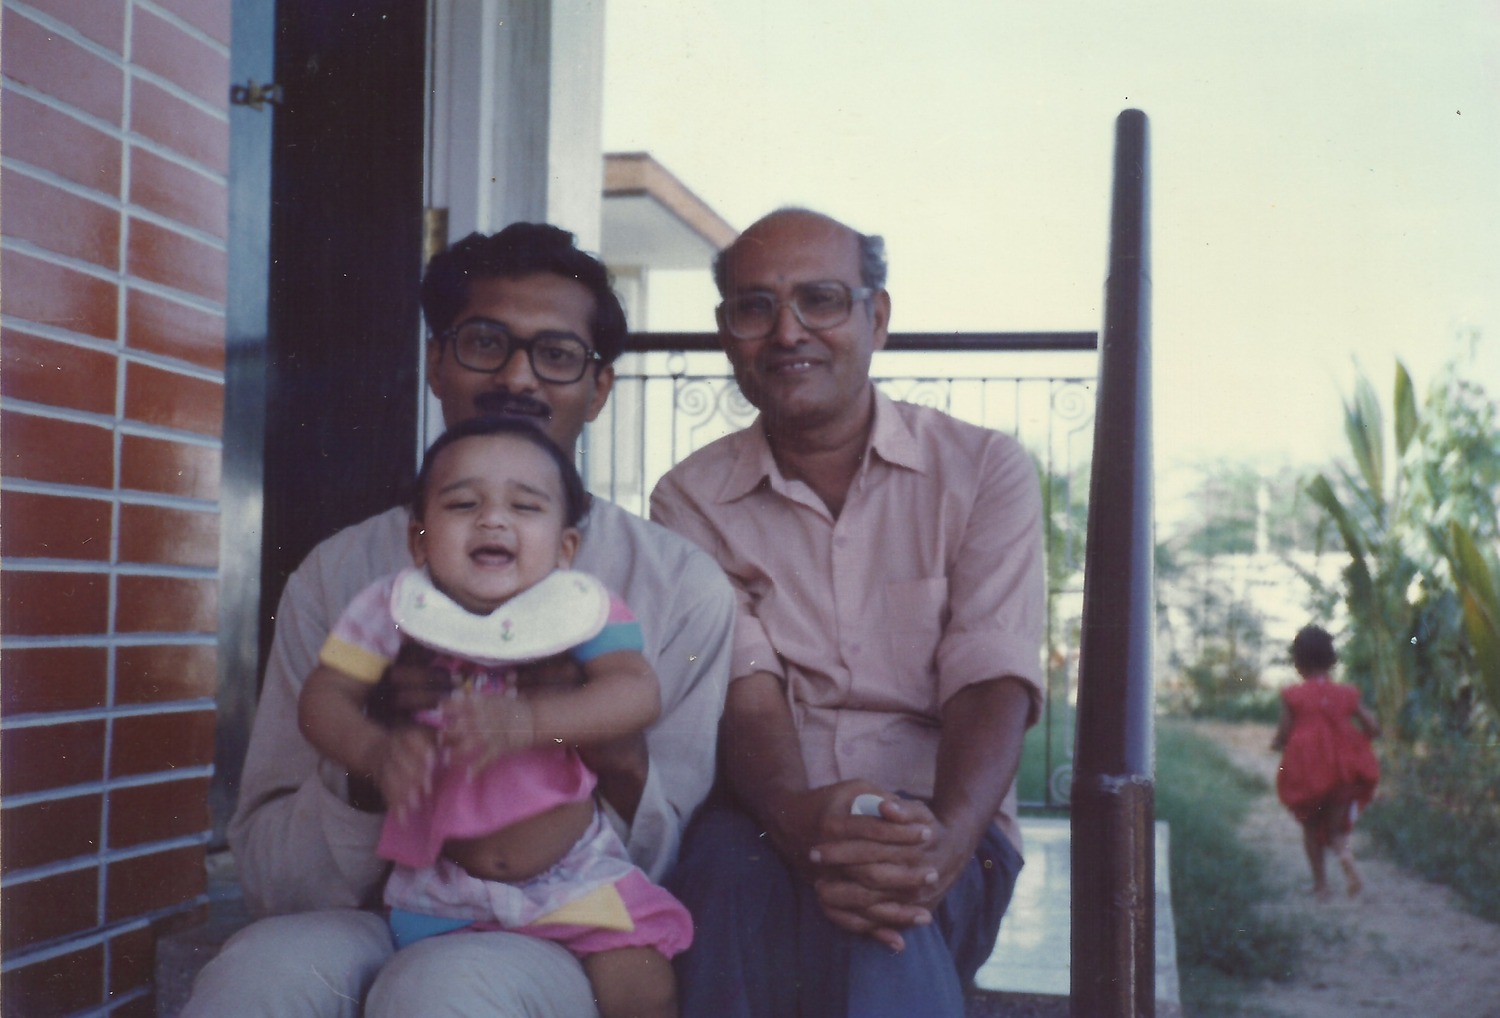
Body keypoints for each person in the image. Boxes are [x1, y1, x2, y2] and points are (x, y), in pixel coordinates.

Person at [183, 225, 735, 1018]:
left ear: (599, 387)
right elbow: (274, 880)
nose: (517, 376)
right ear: (438, 361)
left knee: (445, 990)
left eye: (556, 354)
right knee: (260, 972)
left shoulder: (675, 584)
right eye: (485, 342)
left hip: (554, 923)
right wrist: (374, 759)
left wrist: (573, 729)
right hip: (376, 906)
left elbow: (660, 854)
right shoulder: (344, 577)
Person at [649, 208, 1045, 1017]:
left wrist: (943, 845)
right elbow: (743, 689)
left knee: (878, 921)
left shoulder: (981, 470)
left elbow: (991, 677)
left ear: (879, 316)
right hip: (766, 815)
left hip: (940, 824)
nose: (787, 331)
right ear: (728, 332)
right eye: (755, 307)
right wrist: (804, 824)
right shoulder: (689, 498)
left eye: (821, 300)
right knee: (722, 890)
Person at [299, 416, 690, 1018]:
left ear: (566, 549)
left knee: (644, 982)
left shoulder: (581, 611)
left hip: (574, 878)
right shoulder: (393, 608)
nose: (493, 519)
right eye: (462, 504)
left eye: (525, 507)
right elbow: (324, 698)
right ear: (420, 540)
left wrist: (530, 722)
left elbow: (636, 691)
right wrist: (375, 751)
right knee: (432, 991)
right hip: (440, 886)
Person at [1271, 624, 1381, 900]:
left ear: (1298, 662)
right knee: (1334, 829)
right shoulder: (1346, 694)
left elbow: (1284, 733)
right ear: (1332, 659)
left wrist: (1279, 744)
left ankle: (1321, 886)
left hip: (1309, 775)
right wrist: (1361, 741)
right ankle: (1345, 856)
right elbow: (1372, 725)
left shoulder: (1293, 695)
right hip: (1344, 772)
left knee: (1310, 827)